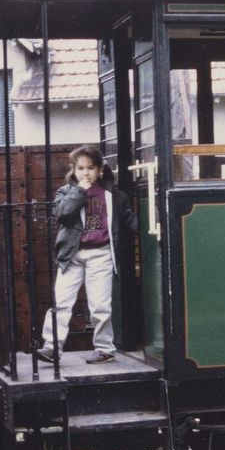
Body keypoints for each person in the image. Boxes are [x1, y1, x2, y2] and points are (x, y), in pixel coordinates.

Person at [36, 145, 138, 365]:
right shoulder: (66, 192)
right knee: (61, 302)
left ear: (100, 169)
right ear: (74, 170)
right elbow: (62, 214)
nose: (85, 173)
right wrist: (79, 192)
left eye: (90, 168)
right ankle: (52, 347)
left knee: (100, 304)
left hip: (101, 254)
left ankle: (104, 349)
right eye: (80, 168)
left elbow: (129, 220)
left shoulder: (114, 195)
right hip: (71, 256)